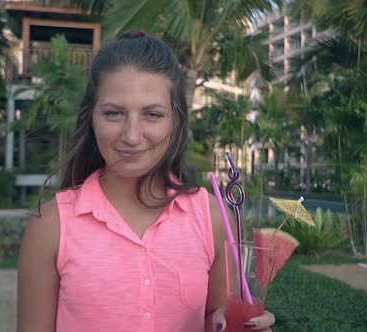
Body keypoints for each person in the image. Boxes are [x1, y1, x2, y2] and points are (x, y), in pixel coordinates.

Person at [18, 31, 276, 332]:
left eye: (152, 115)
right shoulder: (51, 226)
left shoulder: (211, 217)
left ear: (176, 121)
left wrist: (233, 324)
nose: (131, 135)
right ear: (92, 118)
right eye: (114, 113)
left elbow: (214, 316)